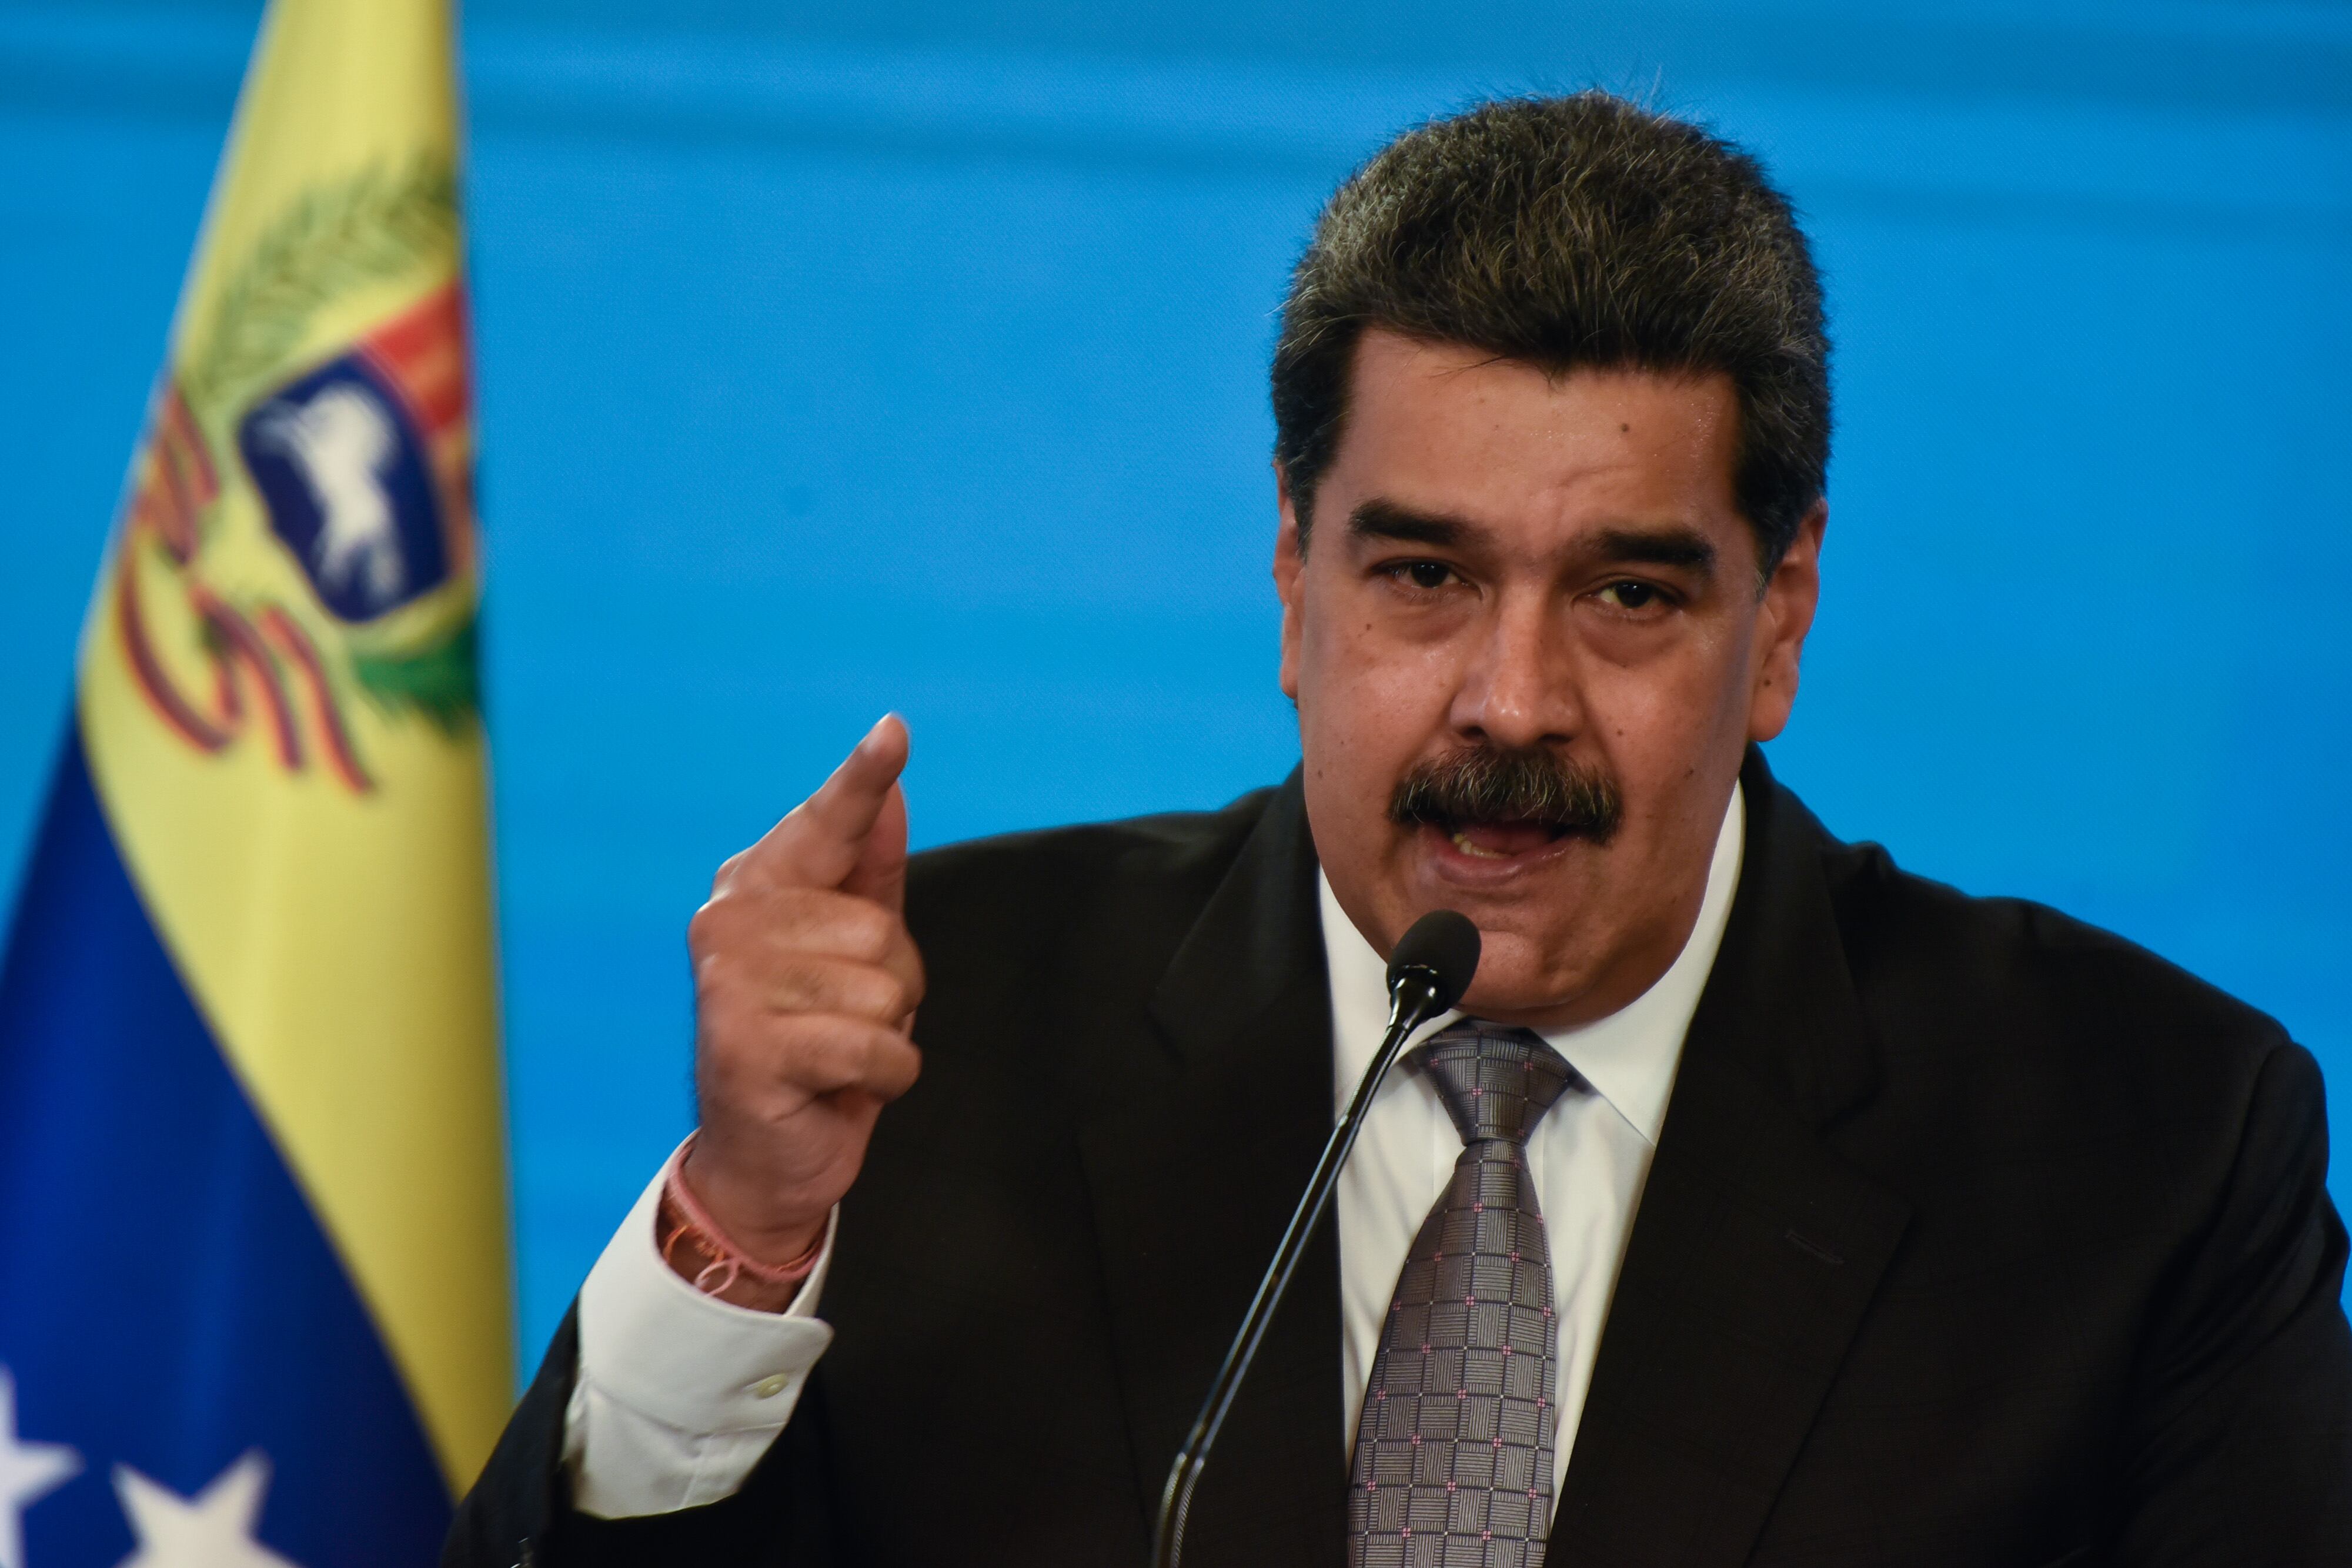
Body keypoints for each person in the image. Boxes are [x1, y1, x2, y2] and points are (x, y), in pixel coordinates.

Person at [446, 93, 2352, 1567]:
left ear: (1778, 620)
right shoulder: (935, 1051)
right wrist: (746, 1230)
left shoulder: (2142, 1147)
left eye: (1627, 596)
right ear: (1294, 580)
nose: (1511, 700)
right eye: (1426, 573)